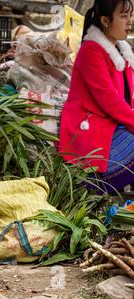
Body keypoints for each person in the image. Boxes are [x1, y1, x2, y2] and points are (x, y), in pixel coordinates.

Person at [59, 0, 134, 194]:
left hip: (113, 124)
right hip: (92, 128)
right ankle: (91, 188)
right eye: (124, 16)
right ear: (105, 21)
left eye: (130, 16)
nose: (129, 22)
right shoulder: (91, 51)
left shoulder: (121, 51)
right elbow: (110, 100)